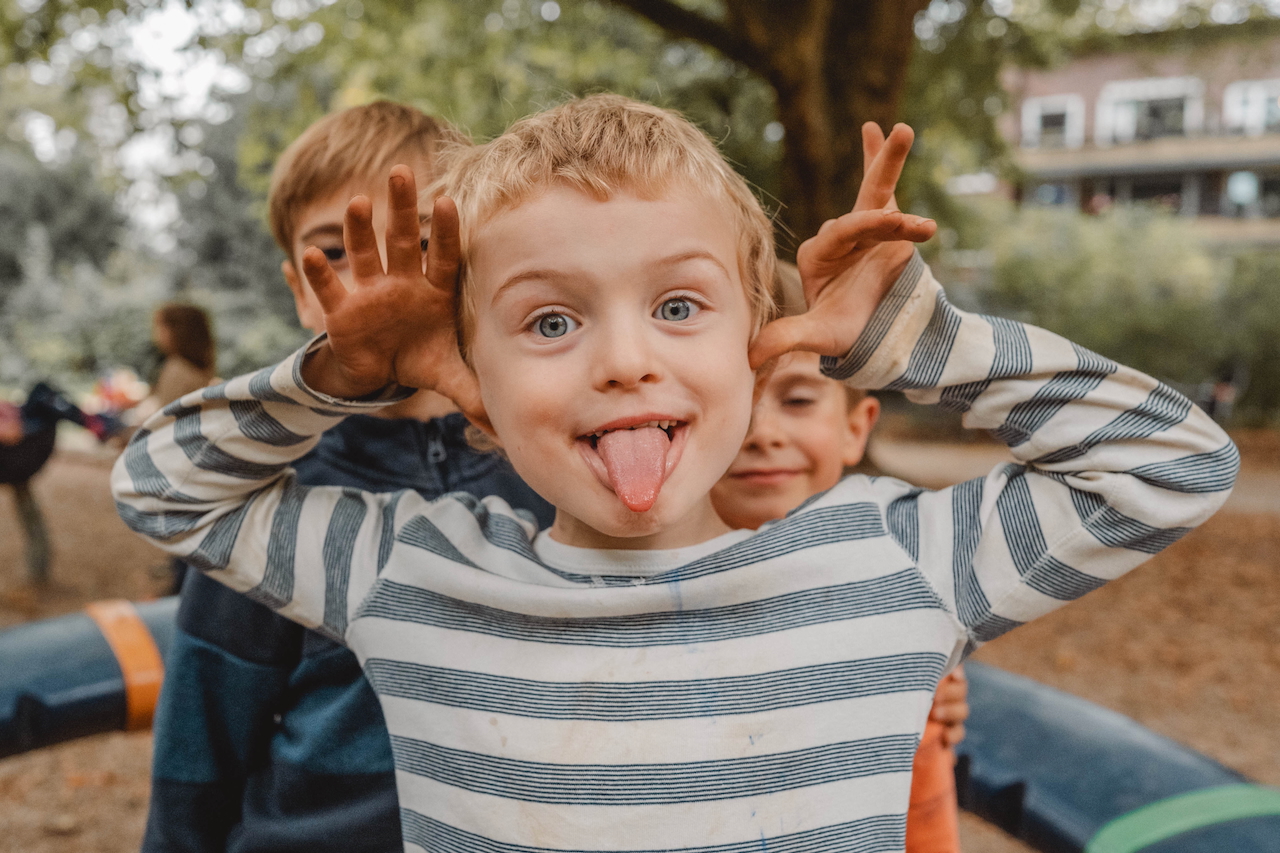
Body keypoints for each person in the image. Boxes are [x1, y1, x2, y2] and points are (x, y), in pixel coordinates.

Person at [115, 95, 1236, 851]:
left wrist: (912, 345)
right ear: (471, 377)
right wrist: (341, 371)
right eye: (548, 320)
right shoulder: (410, 574)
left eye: (679, 305)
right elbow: (160, 485)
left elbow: (1171, 465)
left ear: (759, 333)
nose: (624, 358)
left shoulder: (888, 565)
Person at [139, 102, 552, 853]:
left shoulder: (557, 468)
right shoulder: (264, 494)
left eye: (417, 243)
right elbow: (198, 751)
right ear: (300, 287)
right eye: (336, 252)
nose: (377, 280)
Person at [710, 293, 967, 850]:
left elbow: (924, 826)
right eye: (729, 398)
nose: (761, 432)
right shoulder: (628, 595)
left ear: (857, 427)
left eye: (798, 400)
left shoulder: (900, 593)